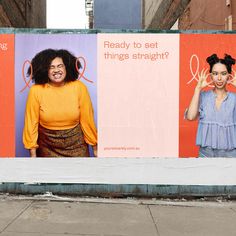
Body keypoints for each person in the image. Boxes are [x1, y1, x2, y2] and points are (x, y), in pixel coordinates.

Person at [23, 49, 97, 157]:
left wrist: (95, 147)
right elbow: (31, 123)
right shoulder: (36, 90)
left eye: (60, 66)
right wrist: (33, 154)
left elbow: (87, 120)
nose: (56, 70)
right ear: (45, 70)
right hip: (47, 147)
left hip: (77, 145)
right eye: (51, 67)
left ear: (66, 67)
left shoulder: (79, 87)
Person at [186, 53, 236, 157]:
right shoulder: (203, 96)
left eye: (223, 73)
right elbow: (190, 117)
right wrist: (197, 89)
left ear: (229, 75)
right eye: (215, 73)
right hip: (205, 154)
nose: (219, 78)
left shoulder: (234, 99)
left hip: (231, 155)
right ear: (210, 75)